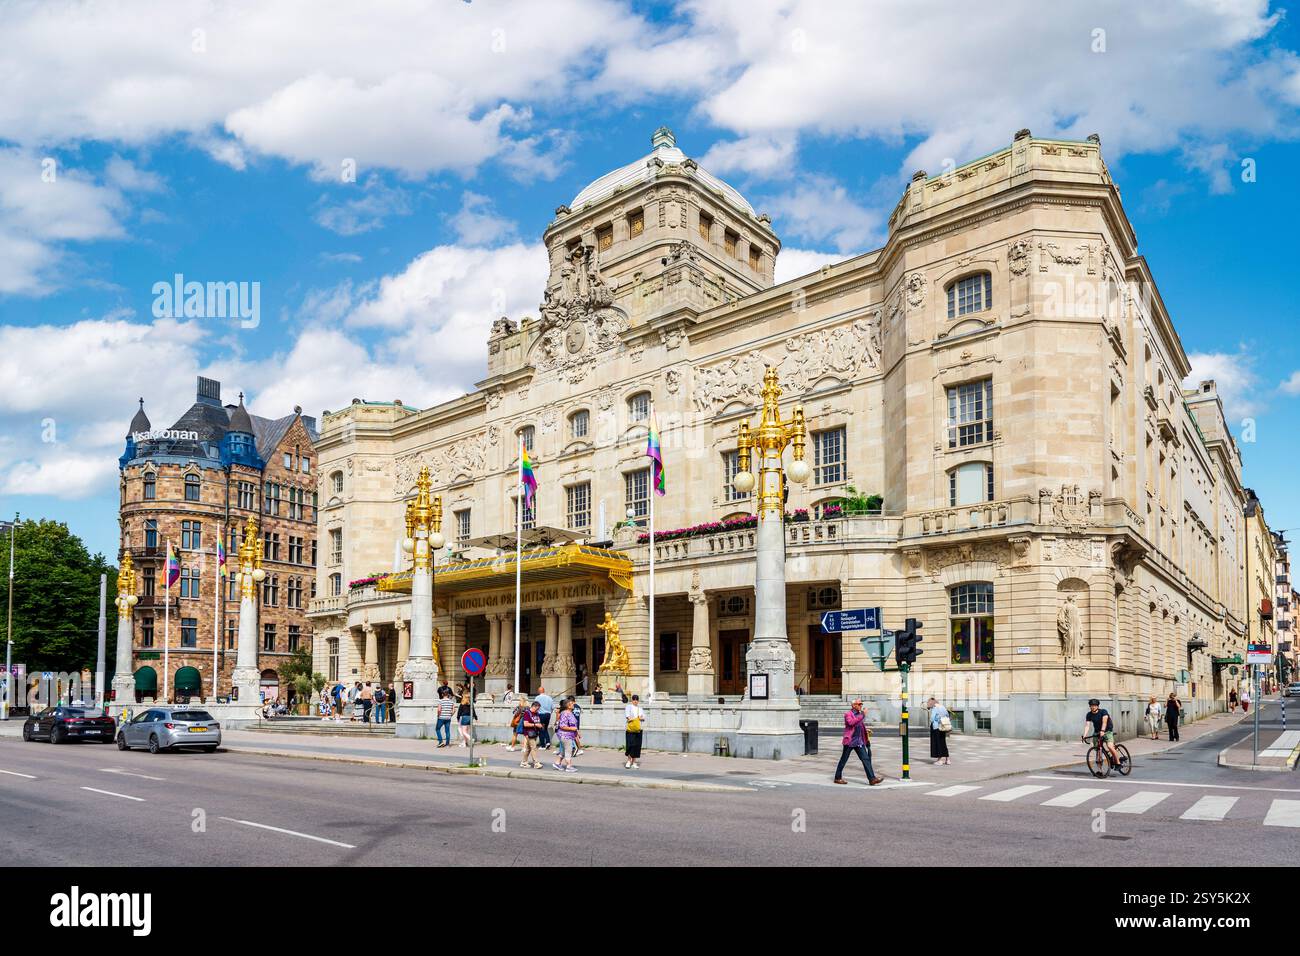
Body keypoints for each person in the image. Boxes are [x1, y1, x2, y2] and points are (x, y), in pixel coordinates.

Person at [834, 698, 883, 784]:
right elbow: (851, 723)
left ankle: (872, 779)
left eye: (861, 704)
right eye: (859, 704)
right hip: (850, 741)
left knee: (866, 759)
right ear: (853, 705)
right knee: (844, 759)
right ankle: (837, 778)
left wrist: (865, 730)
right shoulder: (848, 714)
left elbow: (859, 725)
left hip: (859, 741)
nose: (861, 706)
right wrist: (863, 715)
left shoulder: (859, 714)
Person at [1083, 698, 1119, 765]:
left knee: (1110, 747)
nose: (1093, 707)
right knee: (1098, 750)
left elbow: (1104, 722)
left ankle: (1118, 763)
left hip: (1107, 731)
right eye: (1091, 706)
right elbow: (1087, 725)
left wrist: (1102, 730)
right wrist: (1084, 735)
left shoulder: (1103, 711)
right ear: (1089, 706)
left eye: (1095, 705)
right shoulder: (1089, 714)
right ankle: (1100, 771)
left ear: (1097, 706)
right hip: (1097, 732)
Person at [553, 698, 580, 773]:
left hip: (568, 735)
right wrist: (573, 729)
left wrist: (577, 732)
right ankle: (569, 766)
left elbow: (573, 724)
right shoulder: (565, 713)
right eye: (571, 704)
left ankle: (557, 763)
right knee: (568, 751)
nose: (573, 704)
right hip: (565, 735)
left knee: (564, 751)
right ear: (568, 706)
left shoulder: (569, 713)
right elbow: (562, 726)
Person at [518, 701, 544, 769]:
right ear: (533, 706)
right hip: (528, 733)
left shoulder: (536, 713)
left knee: (528, 749)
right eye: (537, 708)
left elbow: (537, 721)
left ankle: (524, 762)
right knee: (533, 747)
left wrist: (540, 725)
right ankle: (536, 763)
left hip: (534, 733)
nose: (538, 710)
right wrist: (535, 725)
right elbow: (525, 724)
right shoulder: (527, 713)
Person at [928, 697, 951, 766]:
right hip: (943, 727)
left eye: (929, 703)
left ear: (932, 703)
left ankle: (940, 760)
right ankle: (948, 760)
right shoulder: (942, 707)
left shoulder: (935, 708)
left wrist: (935, 719)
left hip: (936, 727)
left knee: (937, 743)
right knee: (943, 742)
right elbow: (947, 715)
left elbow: (932, 719)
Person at [624, 693, 645, 769]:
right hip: (630, 729)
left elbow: (643, 718)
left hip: (638, 729)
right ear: (632, 700)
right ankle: (629, 761)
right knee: (630, 745)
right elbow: (628, 717)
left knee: (637, 746)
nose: (635, 701)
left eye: (636, 699)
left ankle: (634, 762)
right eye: (634, 699)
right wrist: (636, 718)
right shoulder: (628, 707)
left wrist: (640, 718)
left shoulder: (640, 709)